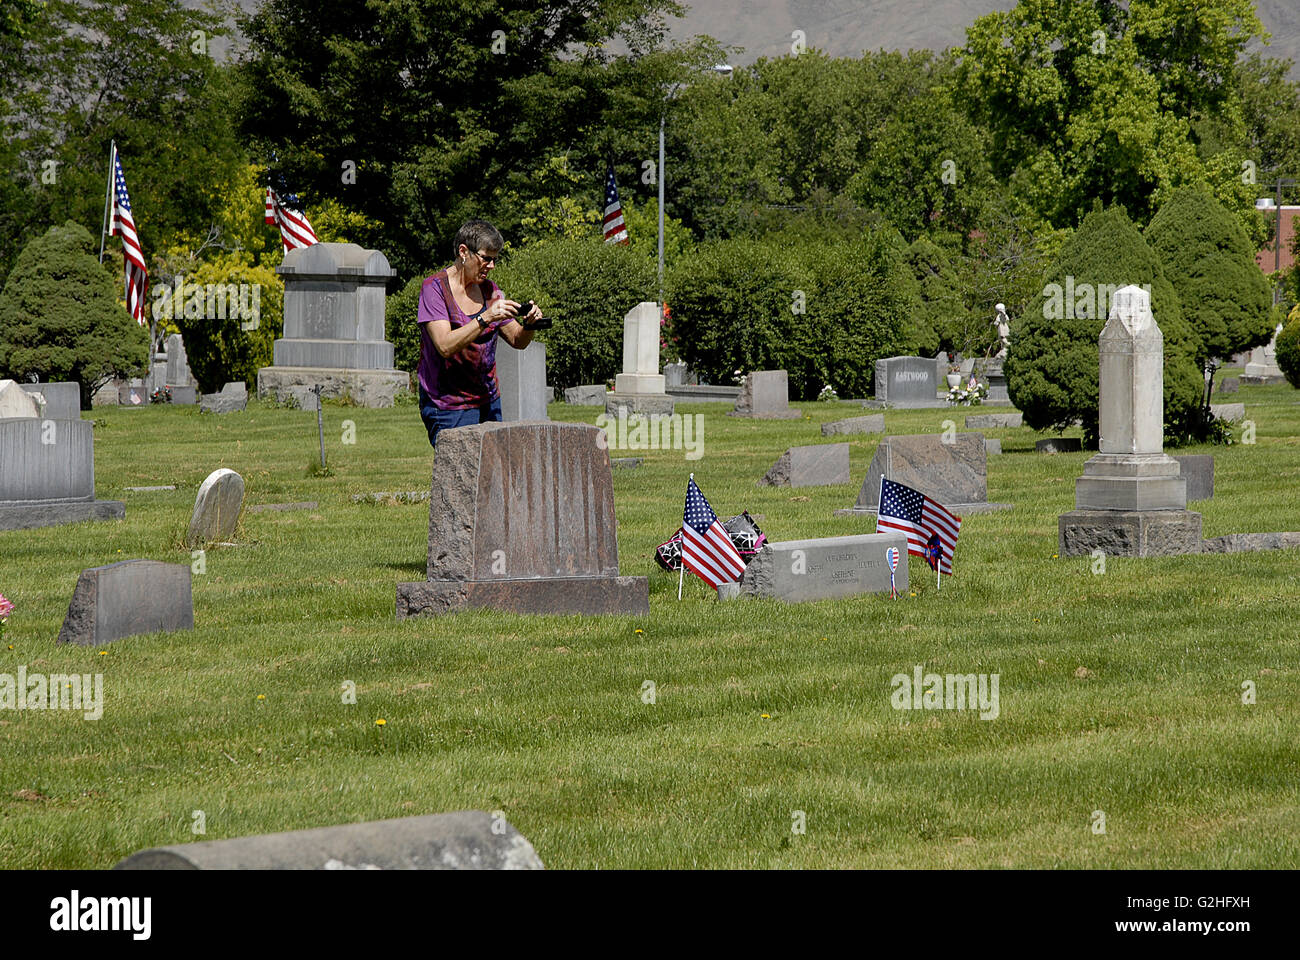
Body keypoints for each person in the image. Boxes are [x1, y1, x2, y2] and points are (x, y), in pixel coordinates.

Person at [415, 219, 542, 448]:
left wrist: (530, 325)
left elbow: (517, 339)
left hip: (488, 401)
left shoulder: (489, 290)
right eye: (486, 258)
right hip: (447, 406)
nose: (491, 266)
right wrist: (485, 318)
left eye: (495, 259)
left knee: (491, 474)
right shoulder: (434, 289)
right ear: (464, 251)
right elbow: (444, 345)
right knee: (459, 475)